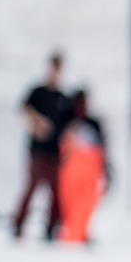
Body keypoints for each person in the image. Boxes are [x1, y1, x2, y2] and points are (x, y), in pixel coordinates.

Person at [15, 52, 70, 239]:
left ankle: (51, 228)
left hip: (55, 152)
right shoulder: (38, 92)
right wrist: (38, 123)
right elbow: (24, 109)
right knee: (32, 187)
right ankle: (18, 224)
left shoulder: (63, 97)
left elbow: (69, 125)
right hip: (38, 151)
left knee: (55, 192)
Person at [56, 89, 109, 245]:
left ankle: (80, 233)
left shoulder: (92, 123)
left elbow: (102, 147)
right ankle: (73, 234)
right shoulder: (67, 123)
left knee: (86, 204)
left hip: (89, 170)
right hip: (72, 170)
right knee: (71, 204)